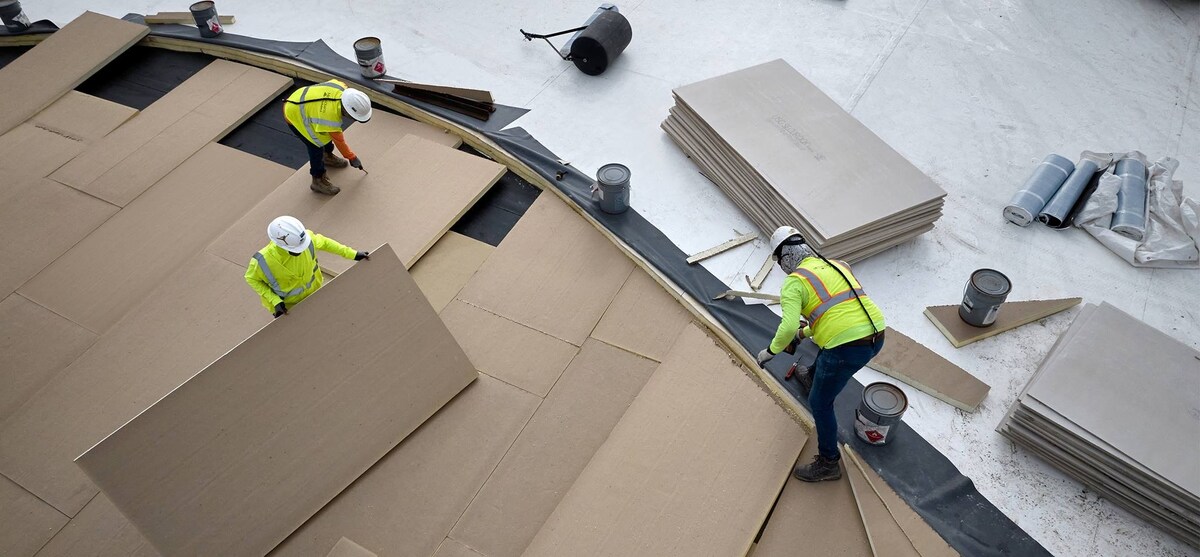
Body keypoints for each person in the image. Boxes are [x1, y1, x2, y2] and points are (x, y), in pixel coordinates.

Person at [756, 226, 886, 482]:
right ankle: (813, 377)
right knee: (828, 358)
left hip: (846, 349)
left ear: (784, 258)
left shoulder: (794, 283)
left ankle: (828, 463)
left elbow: (789, 326)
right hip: (877, 335)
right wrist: (803, 335)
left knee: (820, 403)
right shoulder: (839, 265)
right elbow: (837, 313)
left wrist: (771, 351)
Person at [245, 216, 369, 317]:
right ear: (281, 244)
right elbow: (252, 279)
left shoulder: (307, 239)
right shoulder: (261, 262)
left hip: (316, 292)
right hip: (290, 308)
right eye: (296, 250)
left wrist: (353, 254)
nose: (301, 250)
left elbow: (326, 243)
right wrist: (274, 300)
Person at [283, 79, 373, 195]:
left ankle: (327, 156)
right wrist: (352, 157)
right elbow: (339, 141)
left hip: (301, 99)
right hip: (294, 113)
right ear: (347, 110)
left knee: (325, 134)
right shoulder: (330, 119)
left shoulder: (341, 86)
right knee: (316, 145)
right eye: (354, 117)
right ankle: (317, 180)